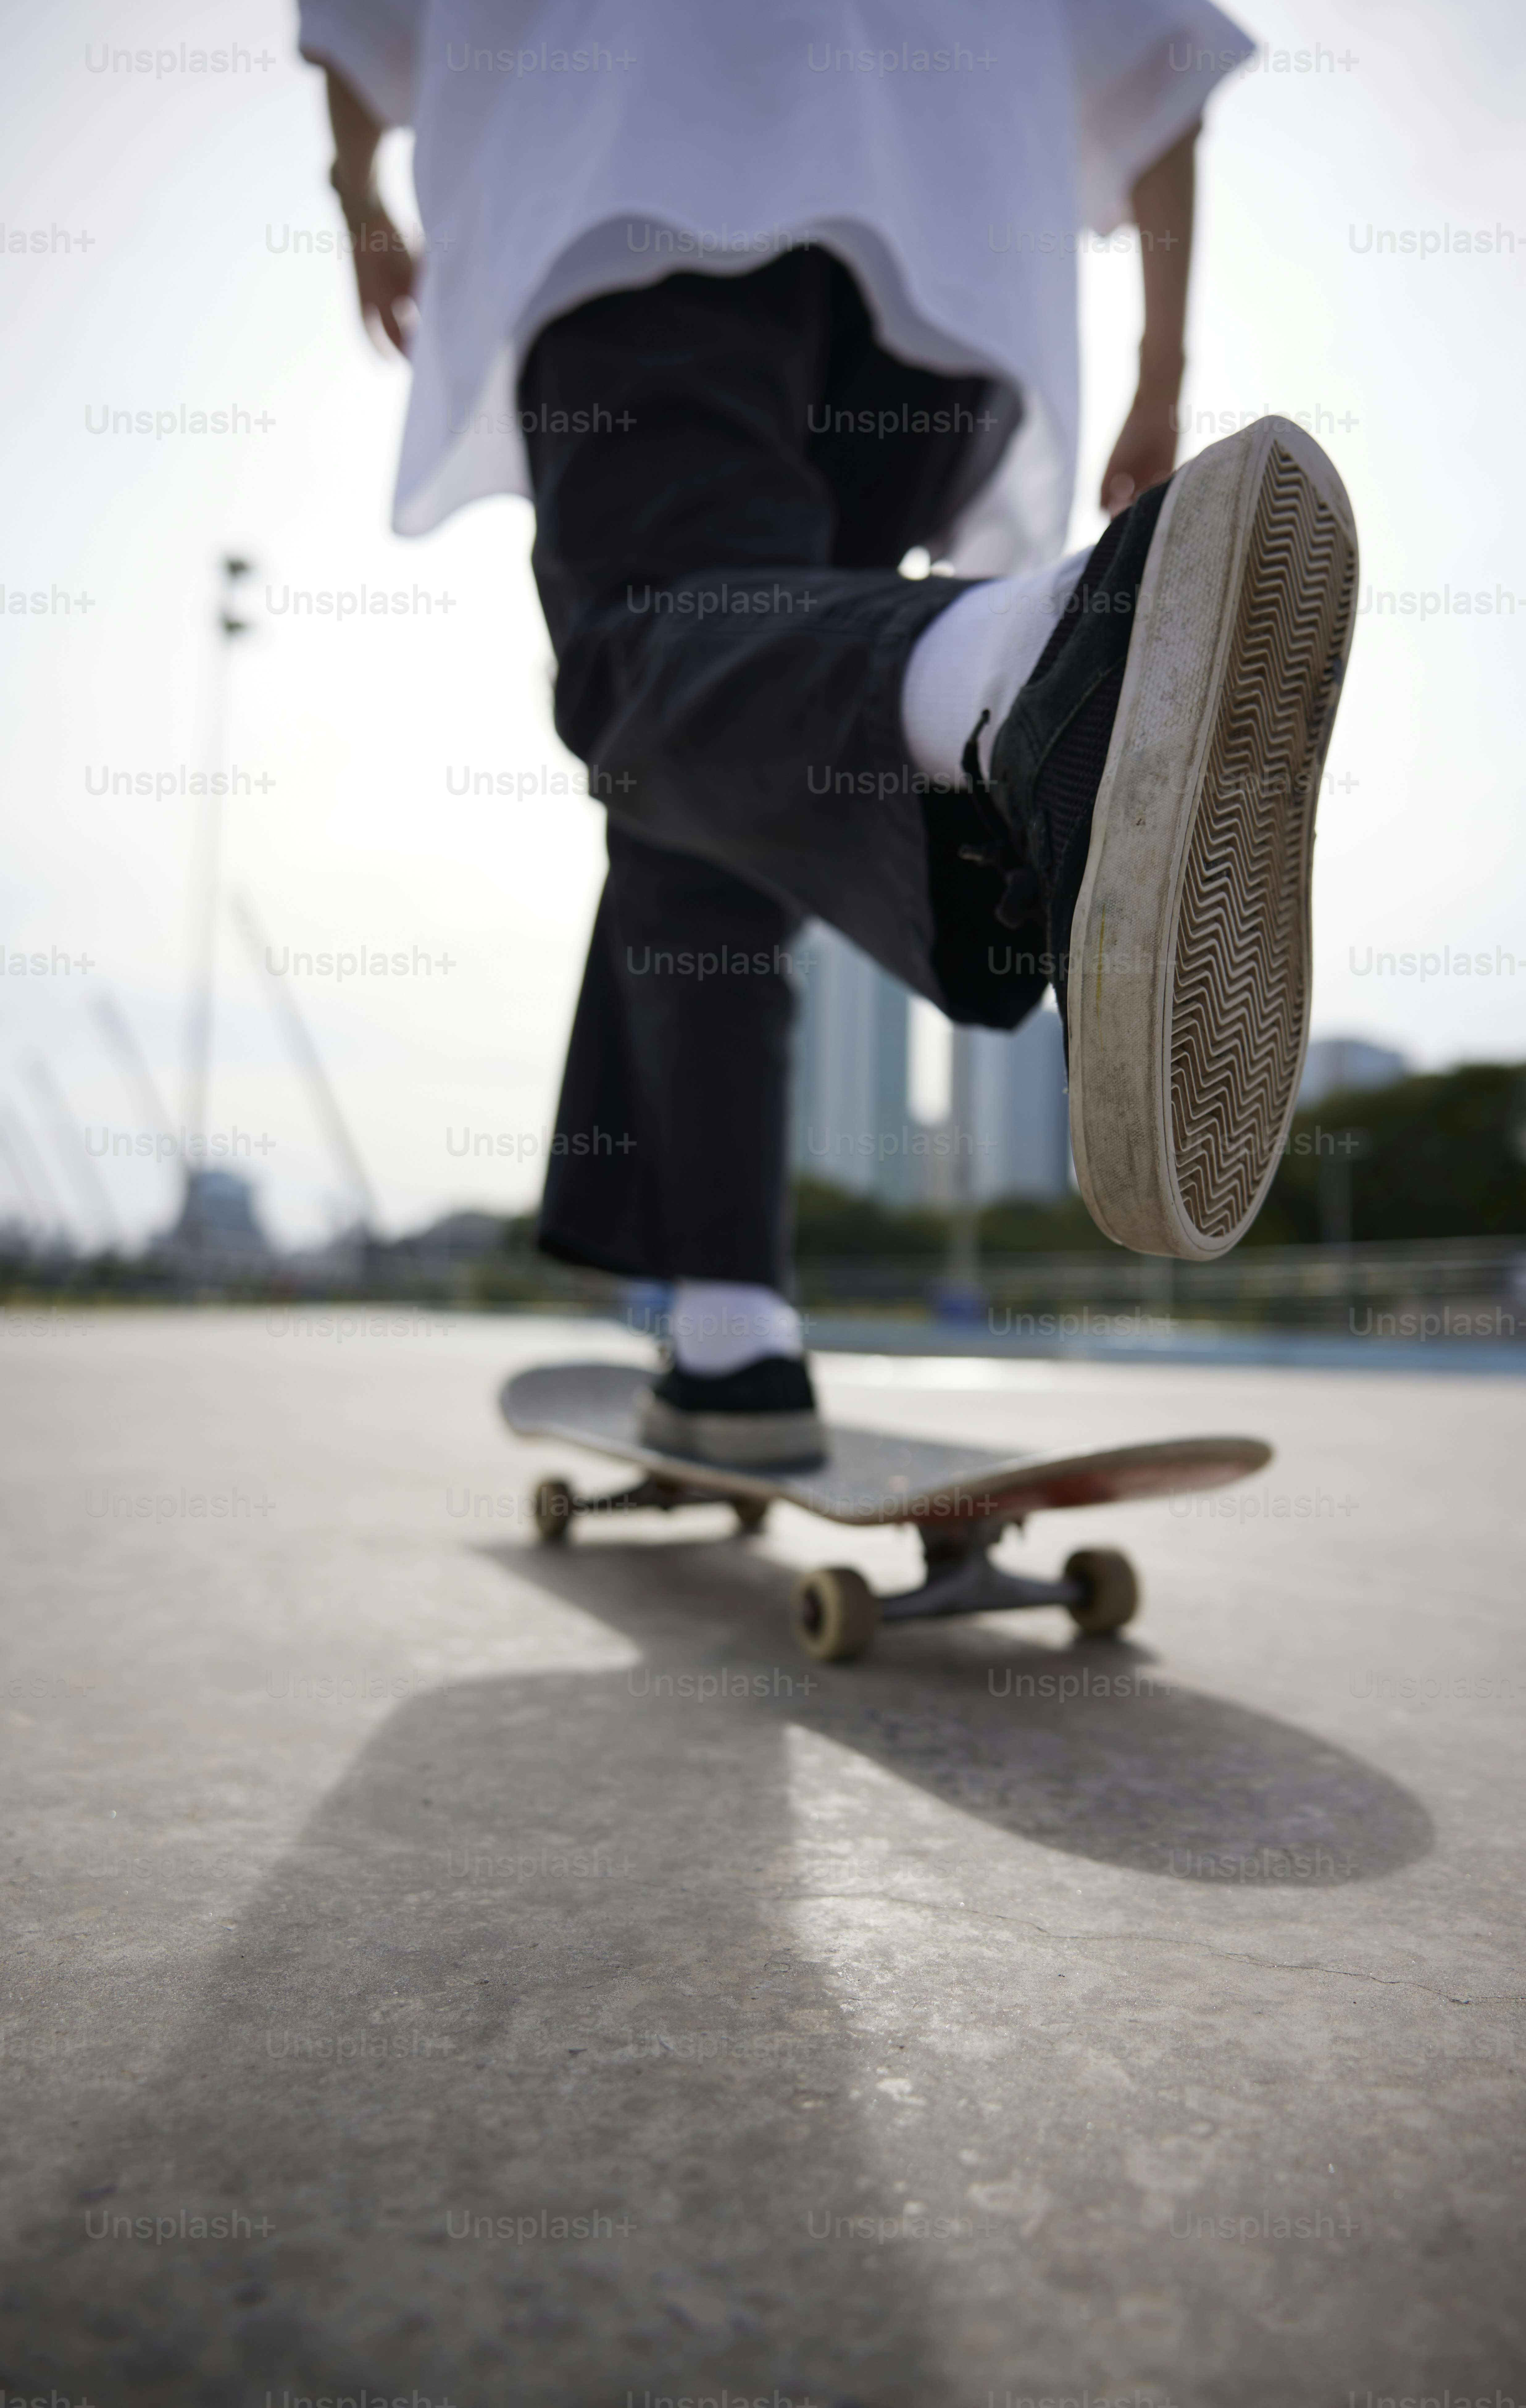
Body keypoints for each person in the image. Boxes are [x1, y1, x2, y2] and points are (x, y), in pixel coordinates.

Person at [300, 2, 1357, 1466]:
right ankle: (731, 1337)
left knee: (656, 647)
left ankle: (1031, 669)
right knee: (724, 762)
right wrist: (1159, 369)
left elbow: (350, 29)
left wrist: (357, 194)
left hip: (643, 196)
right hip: (946, 317)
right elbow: (1161, 73)